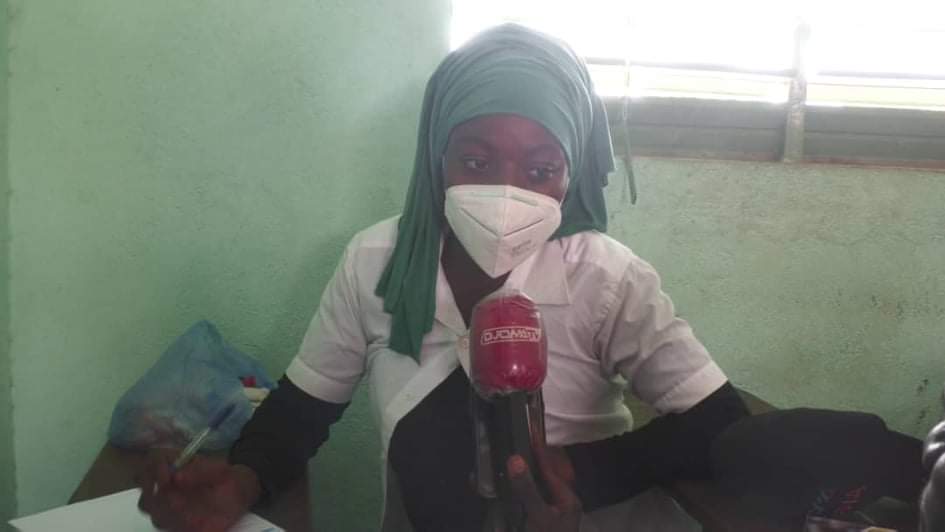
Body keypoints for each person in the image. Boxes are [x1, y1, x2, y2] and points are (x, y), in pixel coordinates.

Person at [137, 23, 748, 532]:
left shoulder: (606, 276)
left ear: (572, 174)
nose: (507, 193)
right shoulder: (376, 261)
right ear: (438, 158)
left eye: (541, 170)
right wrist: (242, 480)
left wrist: (581, 475)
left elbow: (719, 423)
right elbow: (304, 408)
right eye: (476, 161)